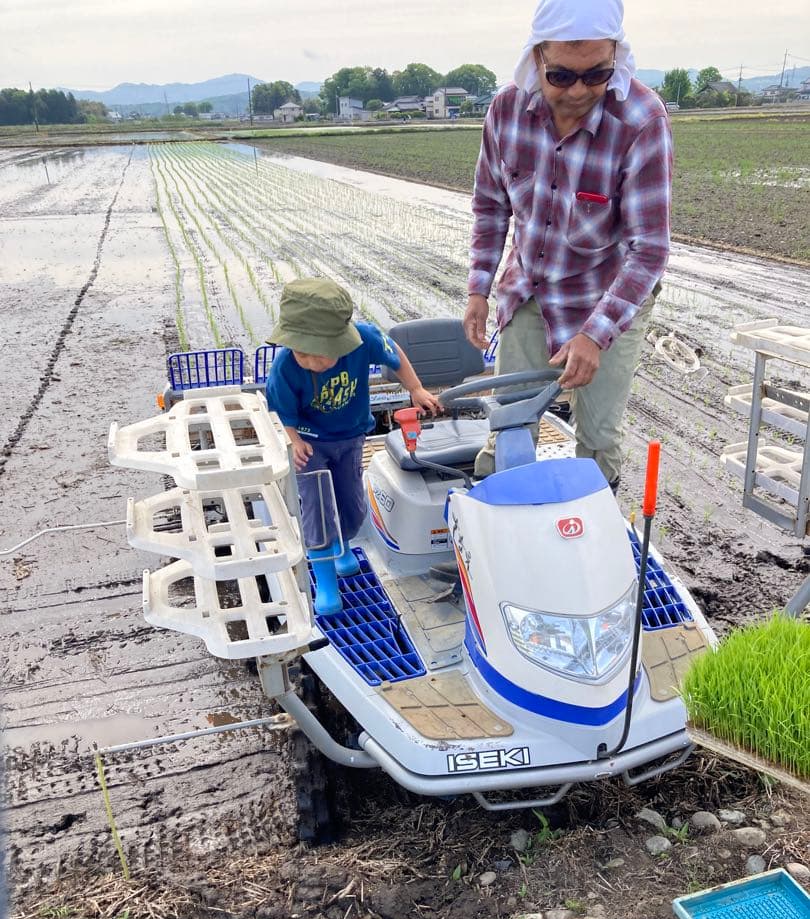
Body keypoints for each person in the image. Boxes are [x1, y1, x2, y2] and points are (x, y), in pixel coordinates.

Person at [464, 0, 672, 490]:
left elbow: (649, 250)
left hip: (607, 296)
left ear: (616, 57)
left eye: (596, 74)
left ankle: (591, 522)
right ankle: (501, 517)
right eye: (561, 76)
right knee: (511, 424)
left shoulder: (641, 121)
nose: (579, 91)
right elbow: (491, 207)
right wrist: (478, 289)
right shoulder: (506, 111)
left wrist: (595, 335)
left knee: (598, 437)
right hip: (531, 290)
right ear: (537, 57)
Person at [266, 278, 441, 616]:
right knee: (316, 506)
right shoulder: (285, 367)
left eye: (320, 355)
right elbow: (283, 411)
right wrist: (294, 441)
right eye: (302, 353)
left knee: (350, 500)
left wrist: (416, 388)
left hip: (350, 437)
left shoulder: (364, 339)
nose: (310, 362)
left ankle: (343, 545)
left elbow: (394, 354)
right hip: (310, 445)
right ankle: (326, 580)